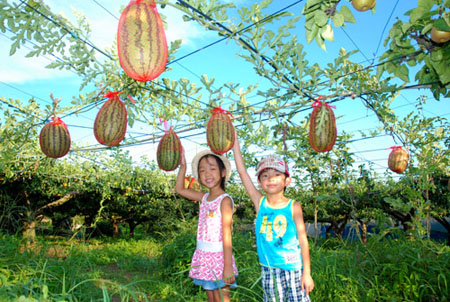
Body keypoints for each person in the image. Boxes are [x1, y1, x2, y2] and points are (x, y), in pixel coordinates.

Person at [232, 132, 314, 302]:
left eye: (277, 174)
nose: (271, 179)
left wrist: (307, 273)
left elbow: (303, 240)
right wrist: (234, 142)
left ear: (287, 181)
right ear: (260, 182)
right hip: (269, 269)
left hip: (293, 268)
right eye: (265, 175)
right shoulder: (260, 203)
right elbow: (242, 172)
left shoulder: (294, 206)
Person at [175, 148, 238, 302]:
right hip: (204, 254)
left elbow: (227, 234)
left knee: (222, 298)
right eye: (202, 170)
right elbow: (179, 189)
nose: (207, 174)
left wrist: (228, 266)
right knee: (211, 297)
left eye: (212, 169)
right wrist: (183, 167)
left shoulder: (224, 200)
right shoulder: (204, 198)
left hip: (219, 257)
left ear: (223, 172)